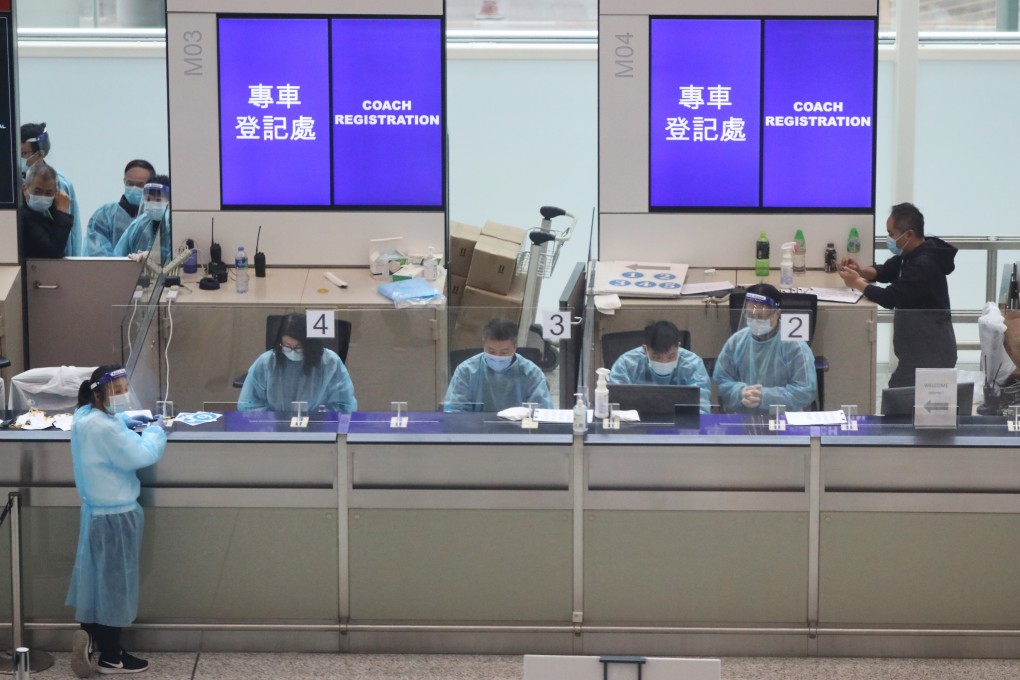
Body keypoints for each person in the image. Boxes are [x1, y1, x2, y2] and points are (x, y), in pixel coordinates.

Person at [65, 365, 166, 677]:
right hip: (117, 516)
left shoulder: (84, 417)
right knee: (116, 587)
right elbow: (140, 456)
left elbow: (113, 423)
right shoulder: (105, 428)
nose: (123, 395)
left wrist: (130, 420)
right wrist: (156, 432)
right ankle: (112, 657)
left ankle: (92, 637)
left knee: (97, 584)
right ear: (99, 393)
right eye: (117, 389)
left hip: (95, 514)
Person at [838, 202, 957, 387]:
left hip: (931, 354)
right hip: (917, 351)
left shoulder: (923, 265)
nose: (889, 239)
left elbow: (889, 297)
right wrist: (860, 271)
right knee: (902, 405)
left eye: (891, 234)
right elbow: (886, 271)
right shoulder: (911, 254)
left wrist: (856, 283)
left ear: (908, 234)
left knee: (898, 404)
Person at [713, 283, 817, 414]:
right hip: (743, 418)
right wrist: (740, 392)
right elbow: (722, 381)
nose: (755, 320)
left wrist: (765, 396)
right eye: (750, 315)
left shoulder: (795, 346)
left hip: (784, 419)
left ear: (777, 313)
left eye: (761, 317)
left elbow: (805, 391)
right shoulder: (736, 341)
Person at [238, 313, 357, 413]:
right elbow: (247, 405)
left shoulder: (330, 362)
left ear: (310, 344)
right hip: (274, 429)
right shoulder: (266, 362)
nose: (292, 351)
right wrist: (276, 421)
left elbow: (345, 406)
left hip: (318, 429)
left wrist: (316, 420)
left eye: (298, 347)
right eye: (287, 346)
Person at [444, 317, 553, 412]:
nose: (498, 356)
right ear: (484, 343)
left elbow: (542, 412)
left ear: (515, 346)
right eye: (491, 351)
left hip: (518, 432)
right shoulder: (466, 371)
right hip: (476, 432)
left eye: (504, 352)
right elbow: (455, 412)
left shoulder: (532, 373)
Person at [609, 320, 712, 414]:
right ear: (645, 349)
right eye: (656, 357)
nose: (664, 362)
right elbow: (616, 404)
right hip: (637, 426)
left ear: (678, 347)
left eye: (671, 356)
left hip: (682, 425)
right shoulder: (626, 364)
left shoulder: (693, 364)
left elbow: (701, 407)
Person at [21, 122, 83, 256]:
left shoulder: (61, 184)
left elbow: (73, 234)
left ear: (40, 154)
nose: (19, 158)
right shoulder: (14, 183)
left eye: (24, 153)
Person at [85, 160, 156, 256]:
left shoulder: (155, 218)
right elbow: (98, 257)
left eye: (140, 185)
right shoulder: (104, 215)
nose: (134, 188)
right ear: (124, 181)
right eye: (130, 184)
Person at [113, 175, 172, 264]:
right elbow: (118, 257)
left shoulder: (173, 224)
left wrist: (154, 256)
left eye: (158, 199)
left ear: (170, 201)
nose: (152, 203)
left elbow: (177, 256)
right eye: (148, 199)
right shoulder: (139, 224)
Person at [19, 162, 74, 258]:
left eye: (48, 193)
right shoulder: (22, 216)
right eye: (37, 191)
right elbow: (53, 251)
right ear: (25, 189)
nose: (43, 197)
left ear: (55, 193)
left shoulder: (50, 211)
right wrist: (61, 212)